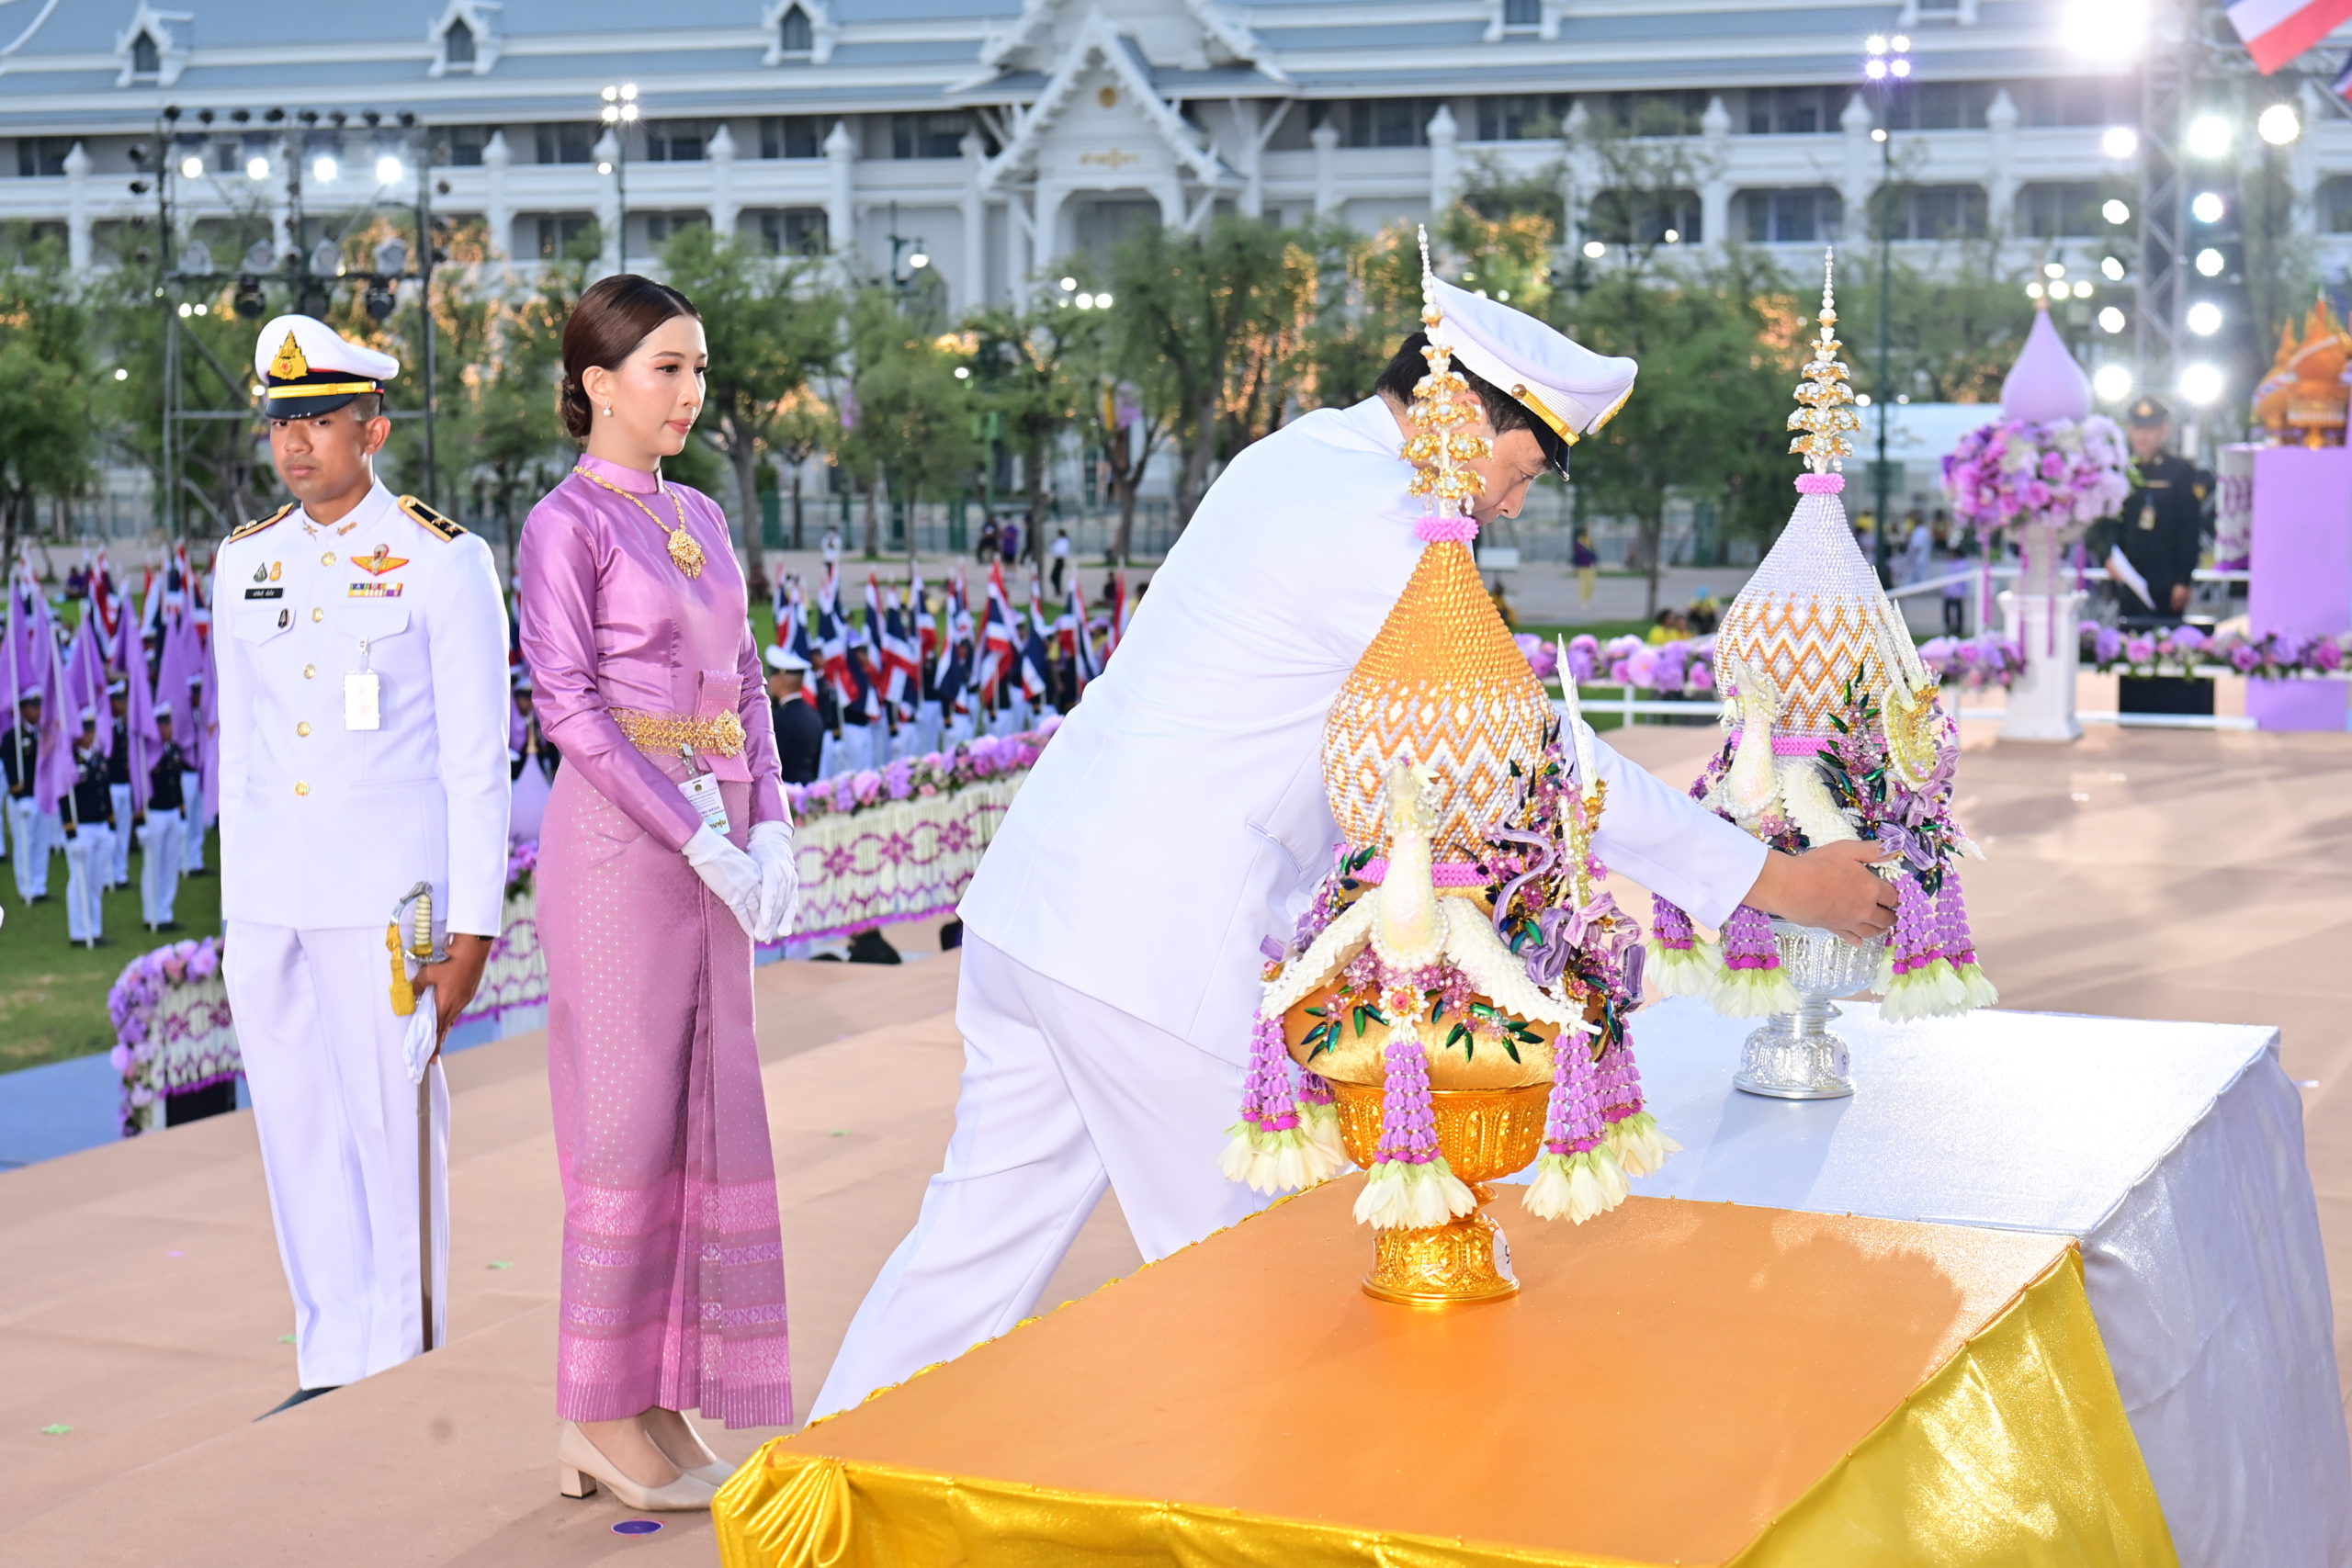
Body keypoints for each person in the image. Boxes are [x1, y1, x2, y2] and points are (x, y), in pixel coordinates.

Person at [812, 271, 1900, 1418]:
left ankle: (813, 1493)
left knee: (969, 1255)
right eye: (1525, 469)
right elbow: (1528, 751)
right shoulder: (1373, 520)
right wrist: (1775, 882)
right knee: (1272, 1279)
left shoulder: (1294, 459)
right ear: (1462, 416)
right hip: (1155, 946)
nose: (1515, 506)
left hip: (1041, 912)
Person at [517, 274, 799, 1512]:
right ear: (597, 383)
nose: (690, 391)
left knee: (700, 1116)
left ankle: (657, 1395)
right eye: (667, 368)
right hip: (621, 856)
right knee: (624, 1126)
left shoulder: (701, 514)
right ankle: (593, 1408)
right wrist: (694, 831)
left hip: (716, 849)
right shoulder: (564, 524)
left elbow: (748, 684)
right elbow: (569, 707)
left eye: (698, 369)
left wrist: (771, 822)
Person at [212, 313, 509, 1418]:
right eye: (282, 422)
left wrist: (473, 930)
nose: (295, 443)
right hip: (273, 904)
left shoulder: (442, 560)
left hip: (392, 908)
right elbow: (239, 754)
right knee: (296, 1133)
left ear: (372, 429)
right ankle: (329, 1360)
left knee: (394, 1139)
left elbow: (477, 763)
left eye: (320, 421)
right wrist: (240, 913)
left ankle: (399, 1366)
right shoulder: (244, 561)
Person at [2099, 396, 2217, 716]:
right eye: (2138, 428)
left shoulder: (2181, 472)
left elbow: (2189, 531)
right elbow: (2109, 522)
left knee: (2167, 644)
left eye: (2150, 429)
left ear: (2164, 430)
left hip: (2167, 576)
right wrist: (2107, 556)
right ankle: (2134, 710)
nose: (2143, 435)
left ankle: (2167, 710)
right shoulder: (2120, 470)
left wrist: (2184, 580)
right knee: (2130, 642)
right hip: (2129, 575)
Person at [62, 709, 113, 947]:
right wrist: (70, 833)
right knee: (79, 881)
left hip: (100, 826)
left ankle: (95, 928)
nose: (90, 735)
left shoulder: (98, 757)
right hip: (81, 828)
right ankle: (79, 932)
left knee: (95, 881)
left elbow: (105, 792)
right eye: (86, 730)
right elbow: (64, 796)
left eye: (92, 729)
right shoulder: (69, 761)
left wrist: (111, 824)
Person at [139, 705, 186, 931]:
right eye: (164, 724)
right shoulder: (147, 752)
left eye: (170, 723)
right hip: (155, 813)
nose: (169, 728)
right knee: (153, 866)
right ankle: (152, 914)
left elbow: (177, 784)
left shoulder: (174, 749)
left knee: (170, 865)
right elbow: (139, 786)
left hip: (172, 812)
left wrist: (182, 814)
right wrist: (140, 820)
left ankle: (166, 912)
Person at [4, 686, 47, 903]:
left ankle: (40, 885)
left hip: (42, 797)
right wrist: (17, 792)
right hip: (23, 798)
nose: (37, 711)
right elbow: (10, 766)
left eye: (39, 706)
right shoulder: (12, 737)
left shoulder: (45, 735)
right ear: (22, 709)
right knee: (24, 844)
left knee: (41, 842)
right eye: (32, 706)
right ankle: (26, 887)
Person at [765, 647, 825, 785]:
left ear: (781, 680)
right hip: (809, 791)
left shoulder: (777, 719)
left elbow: (771, 765)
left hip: (783, 791)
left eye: (773, 675)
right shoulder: (815, 716)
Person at [105, 681, 134, 886]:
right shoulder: (105, 727)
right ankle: (108, 875)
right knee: (111, 834)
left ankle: (120, 873)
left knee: (123, 832)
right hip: (111, 786)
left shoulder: (124, 726)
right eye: (119, 700)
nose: (122, 704)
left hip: (125, 785)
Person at [1571, 525, 1599, 604]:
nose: (1589, 533)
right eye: (1588, 531)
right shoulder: (1578, 543)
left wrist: (1596, 563)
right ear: (1583, 532)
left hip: (1590, 566)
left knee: (1592, 585)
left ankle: (1587, 599)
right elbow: (1576, 556)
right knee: (1583, 585)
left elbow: (1594, 554)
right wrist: (1576, 566)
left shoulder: (1590, 542)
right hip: (1581, 567)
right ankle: (1584, 601)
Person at [1049, 527, 1071, 595]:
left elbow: (1059, 551)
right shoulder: (1061, 541)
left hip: (1060, 559)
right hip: (1058, 559)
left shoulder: (1063, 541)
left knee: (1055, 576)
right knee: (1056, 576)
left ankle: (1058, 590)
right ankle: (1058, 590)